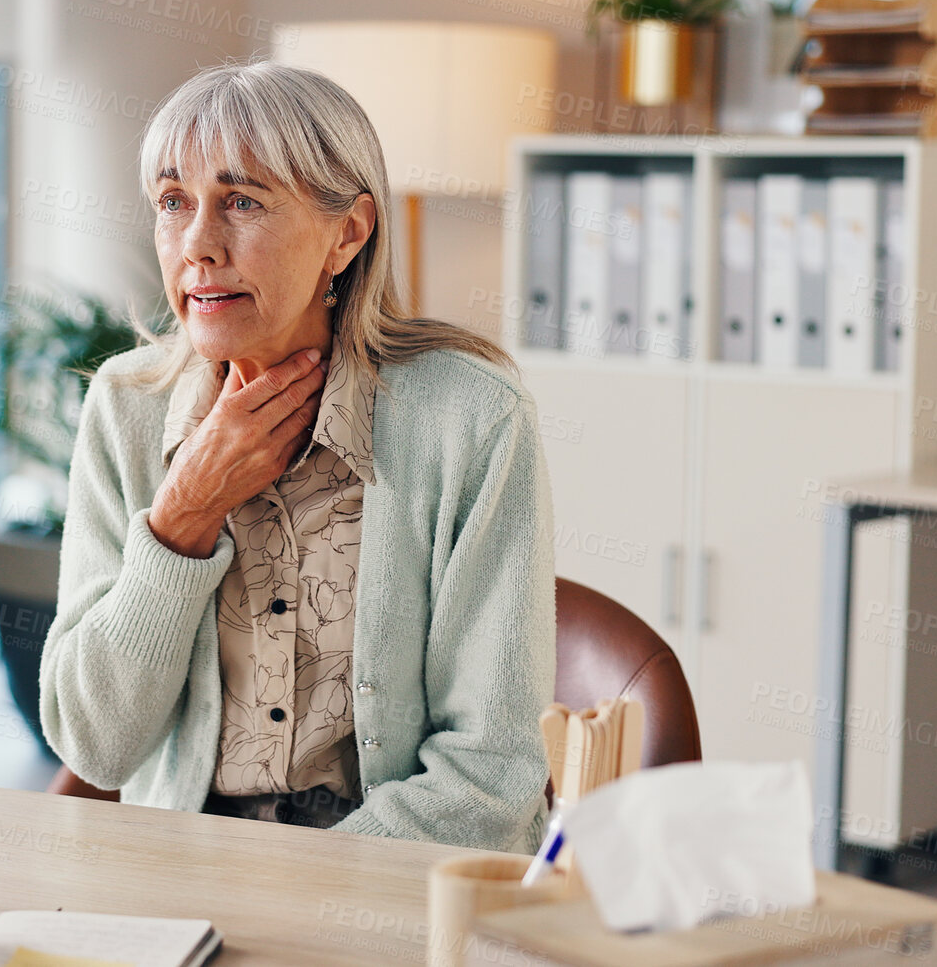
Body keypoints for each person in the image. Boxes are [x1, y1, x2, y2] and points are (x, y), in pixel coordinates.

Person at [39, 62, 555, 851]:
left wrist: (316, 889)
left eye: (241, 201)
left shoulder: (472, 417)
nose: (198, 246)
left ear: (347, 233)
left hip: (397, 874)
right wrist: (182, 514)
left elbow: (488, 772)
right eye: (173, 202)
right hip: (179, 868)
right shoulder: (126, 405)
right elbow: (94, 745)